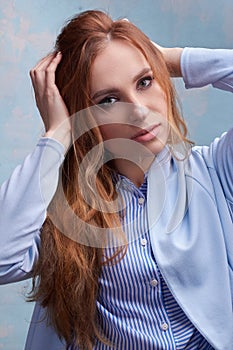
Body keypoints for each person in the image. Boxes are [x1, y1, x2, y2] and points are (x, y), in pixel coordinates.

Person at [0, 9, 232, 350]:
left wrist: (173, 61)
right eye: (109, 100)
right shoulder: (64, 209)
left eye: (145, 82)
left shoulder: (215, 171)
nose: (139, 110)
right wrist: (57, 135)